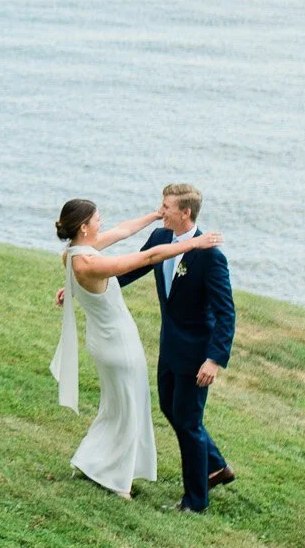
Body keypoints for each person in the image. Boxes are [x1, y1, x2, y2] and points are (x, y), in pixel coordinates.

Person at [50, 198, 224, 500]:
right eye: (96, 218)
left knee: (115, 408)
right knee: (131, 411)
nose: (101, 221)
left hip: (103, 341)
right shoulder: (90, 262)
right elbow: (147, 258)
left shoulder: (73, 253)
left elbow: (122, 230)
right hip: (119, 346)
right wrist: (193, 245)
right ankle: (120, 482)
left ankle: (93, 461)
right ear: (84, 227)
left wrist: (153, 216)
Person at [119, 182, 236, 513]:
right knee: (170, 409)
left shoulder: (211, 257)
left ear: (185, 212)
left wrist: (214, 359)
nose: (161, 211)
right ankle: (216, 467)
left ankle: (196, 501)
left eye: (167, 207)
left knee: (187, 421)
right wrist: (89, 285)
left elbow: (226, 312)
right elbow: (131, 268)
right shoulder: (159, 239)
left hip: (197, 352)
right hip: (169, 345)